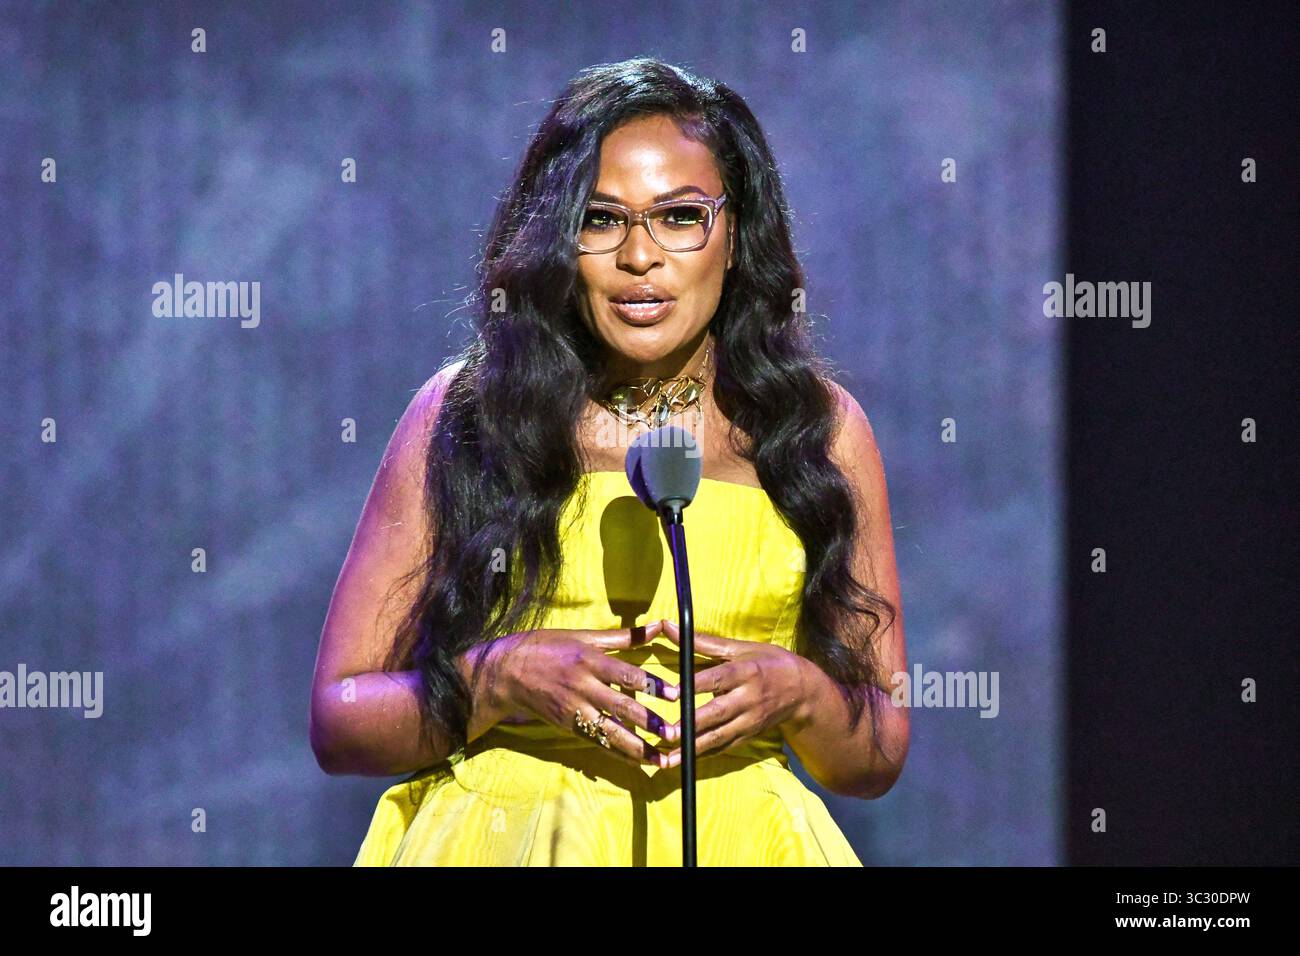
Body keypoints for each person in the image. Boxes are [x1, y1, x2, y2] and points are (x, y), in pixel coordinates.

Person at [310, 57, 909, 866]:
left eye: (680, 216)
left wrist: (798, 696)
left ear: (734, 237)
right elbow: (341, 717)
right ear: (559, 239)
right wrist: (498, 679)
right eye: (601, 219)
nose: (640, 257)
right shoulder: (469, 414)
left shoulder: (816, 430)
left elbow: (876, 752)